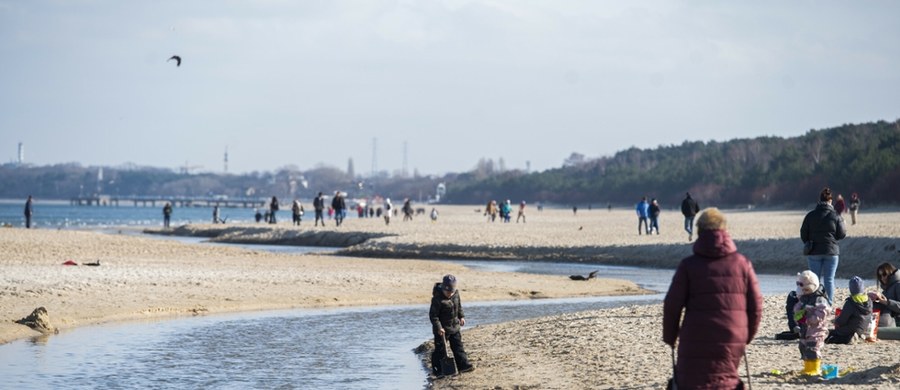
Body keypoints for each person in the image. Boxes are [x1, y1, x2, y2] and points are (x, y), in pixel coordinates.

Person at [662, 208, 762, 389]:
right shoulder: (742, 264)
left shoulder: (688, 265)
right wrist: (745, 336)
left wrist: (670, 337)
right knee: (726, 380)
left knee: (693, 381)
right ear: (725, 230)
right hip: (732, 334)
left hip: (694, 335)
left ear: (699, 231)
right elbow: (756, 306)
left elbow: (671, 305)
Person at [800, 187, 846, 304]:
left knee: (814, 280)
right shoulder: (836, 215)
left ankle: (814, 303)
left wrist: (809, 242)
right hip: (831, 251)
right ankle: (829, 304)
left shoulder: (811, 215)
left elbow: (803, 234)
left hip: (814, 251)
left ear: (819, 200)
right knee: (829, 280)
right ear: (831, 201)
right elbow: (842, 234)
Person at [429, 274, 475, 377]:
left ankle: (463, 366)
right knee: (439, 351)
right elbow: (433, 316)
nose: (450, 294)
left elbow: (459, 306)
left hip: (454, 327)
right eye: (447, 292)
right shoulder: (437, 299)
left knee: (458, 347)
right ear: (443, 289)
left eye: (452, 292)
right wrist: (439, 327)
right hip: (441, 330)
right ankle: (438, 371)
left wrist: (461, 317)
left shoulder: (456, 294)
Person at [794, 270, 831, 375]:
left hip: (817, 330)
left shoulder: (819, 299)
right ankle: (807, 367)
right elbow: (797, 307)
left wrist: (809, 319)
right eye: (803, 290)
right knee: (803, 347)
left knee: (813, 348)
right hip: (805, 329)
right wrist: (798, 314)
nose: (804, 292)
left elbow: (822, 313)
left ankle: (814, 368)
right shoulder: (804, 298)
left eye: (806, 290)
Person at [825, 276, 872, 344]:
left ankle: (849, 338)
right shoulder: (869, 300)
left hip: (851, 329)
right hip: (863, 329)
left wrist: (836, 321)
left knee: (831, 334)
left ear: (851, 289)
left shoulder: (851, 302)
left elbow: (842, 320)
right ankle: (857, 336)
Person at [871, 262, 900, 327]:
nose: (882, 278)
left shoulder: (898, 285)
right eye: (880, 276)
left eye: (884, 274)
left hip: (896, 322)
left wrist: (885, 302)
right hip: (890, 319)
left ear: (890, 272)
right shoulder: (887, 289)